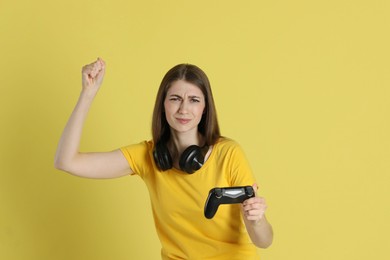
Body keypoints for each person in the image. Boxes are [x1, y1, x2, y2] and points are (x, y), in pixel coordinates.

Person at [54, 58, 273, 259]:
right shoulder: (147, 157)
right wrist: (88, 93)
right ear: (163, 105)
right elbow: (66, 161)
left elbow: (264, 241)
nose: (184, 109)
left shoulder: (229, 154)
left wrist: (257, 219)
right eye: (175, 99)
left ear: (204, 108)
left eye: (194, 100)